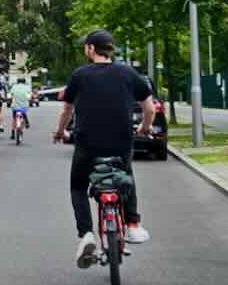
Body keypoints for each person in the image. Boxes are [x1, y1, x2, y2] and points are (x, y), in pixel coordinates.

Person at [53, 29, 156, 267]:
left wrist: (60, 132)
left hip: (87, 144)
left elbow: (67, 110)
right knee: (126, 175)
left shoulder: (80, 75)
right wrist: (145, 127)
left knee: (78, 186)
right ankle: (132, 224)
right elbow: (149, 109)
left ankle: (86, 234)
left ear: (91, 49)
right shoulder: (128, 73)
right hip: (121, 142)